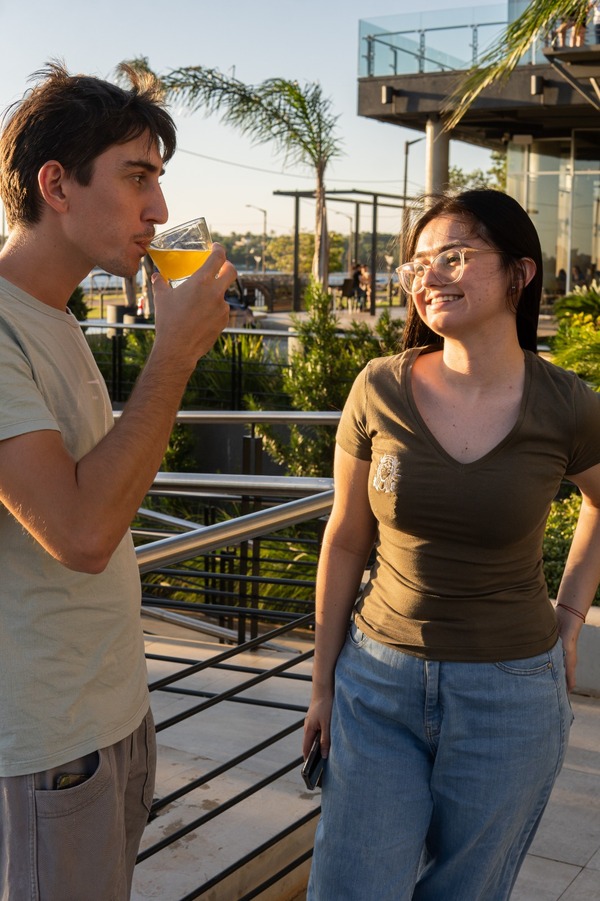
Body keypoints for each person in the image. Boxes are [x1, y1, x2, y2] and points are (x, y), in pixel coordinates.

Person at [304, 188, 600, 900]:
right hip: (376, 684)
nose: (429, 276)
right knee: (353, 885)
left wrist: (569, 614)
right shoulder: (379, 387)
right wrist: (321, 684)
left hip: (512, 696)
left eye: (455, 256)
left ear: (518, 274)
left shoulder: (566, 404)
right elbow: (345, 538)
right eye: (418, 265)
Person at [0, 63, 236, 900]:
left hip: (111, 720)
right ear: (56, 185)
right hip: (47, 748)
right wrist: (175, 354)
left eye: (159, 181)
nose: (161, 211)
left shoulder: (55, 318)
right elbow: (81, 532)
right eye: (139, 178)